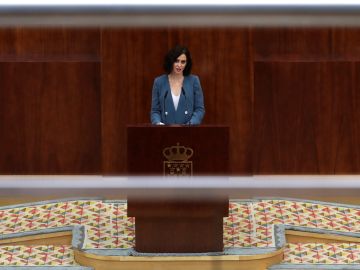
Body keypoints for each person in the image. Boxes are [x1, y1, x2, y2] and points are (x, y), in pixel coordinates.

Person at [150, 45, 205, 125]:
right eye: (176, 61)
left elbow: (199, 109)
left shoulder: (194, 81)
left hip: (188, 131)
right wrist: (158, 123)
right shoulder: (159, 82)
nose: (179, 65)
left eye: (183, 62)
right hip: (165, 132)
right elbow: (155, 111)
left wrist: (191, 123)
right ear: (171, 61)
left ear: (187, 63)